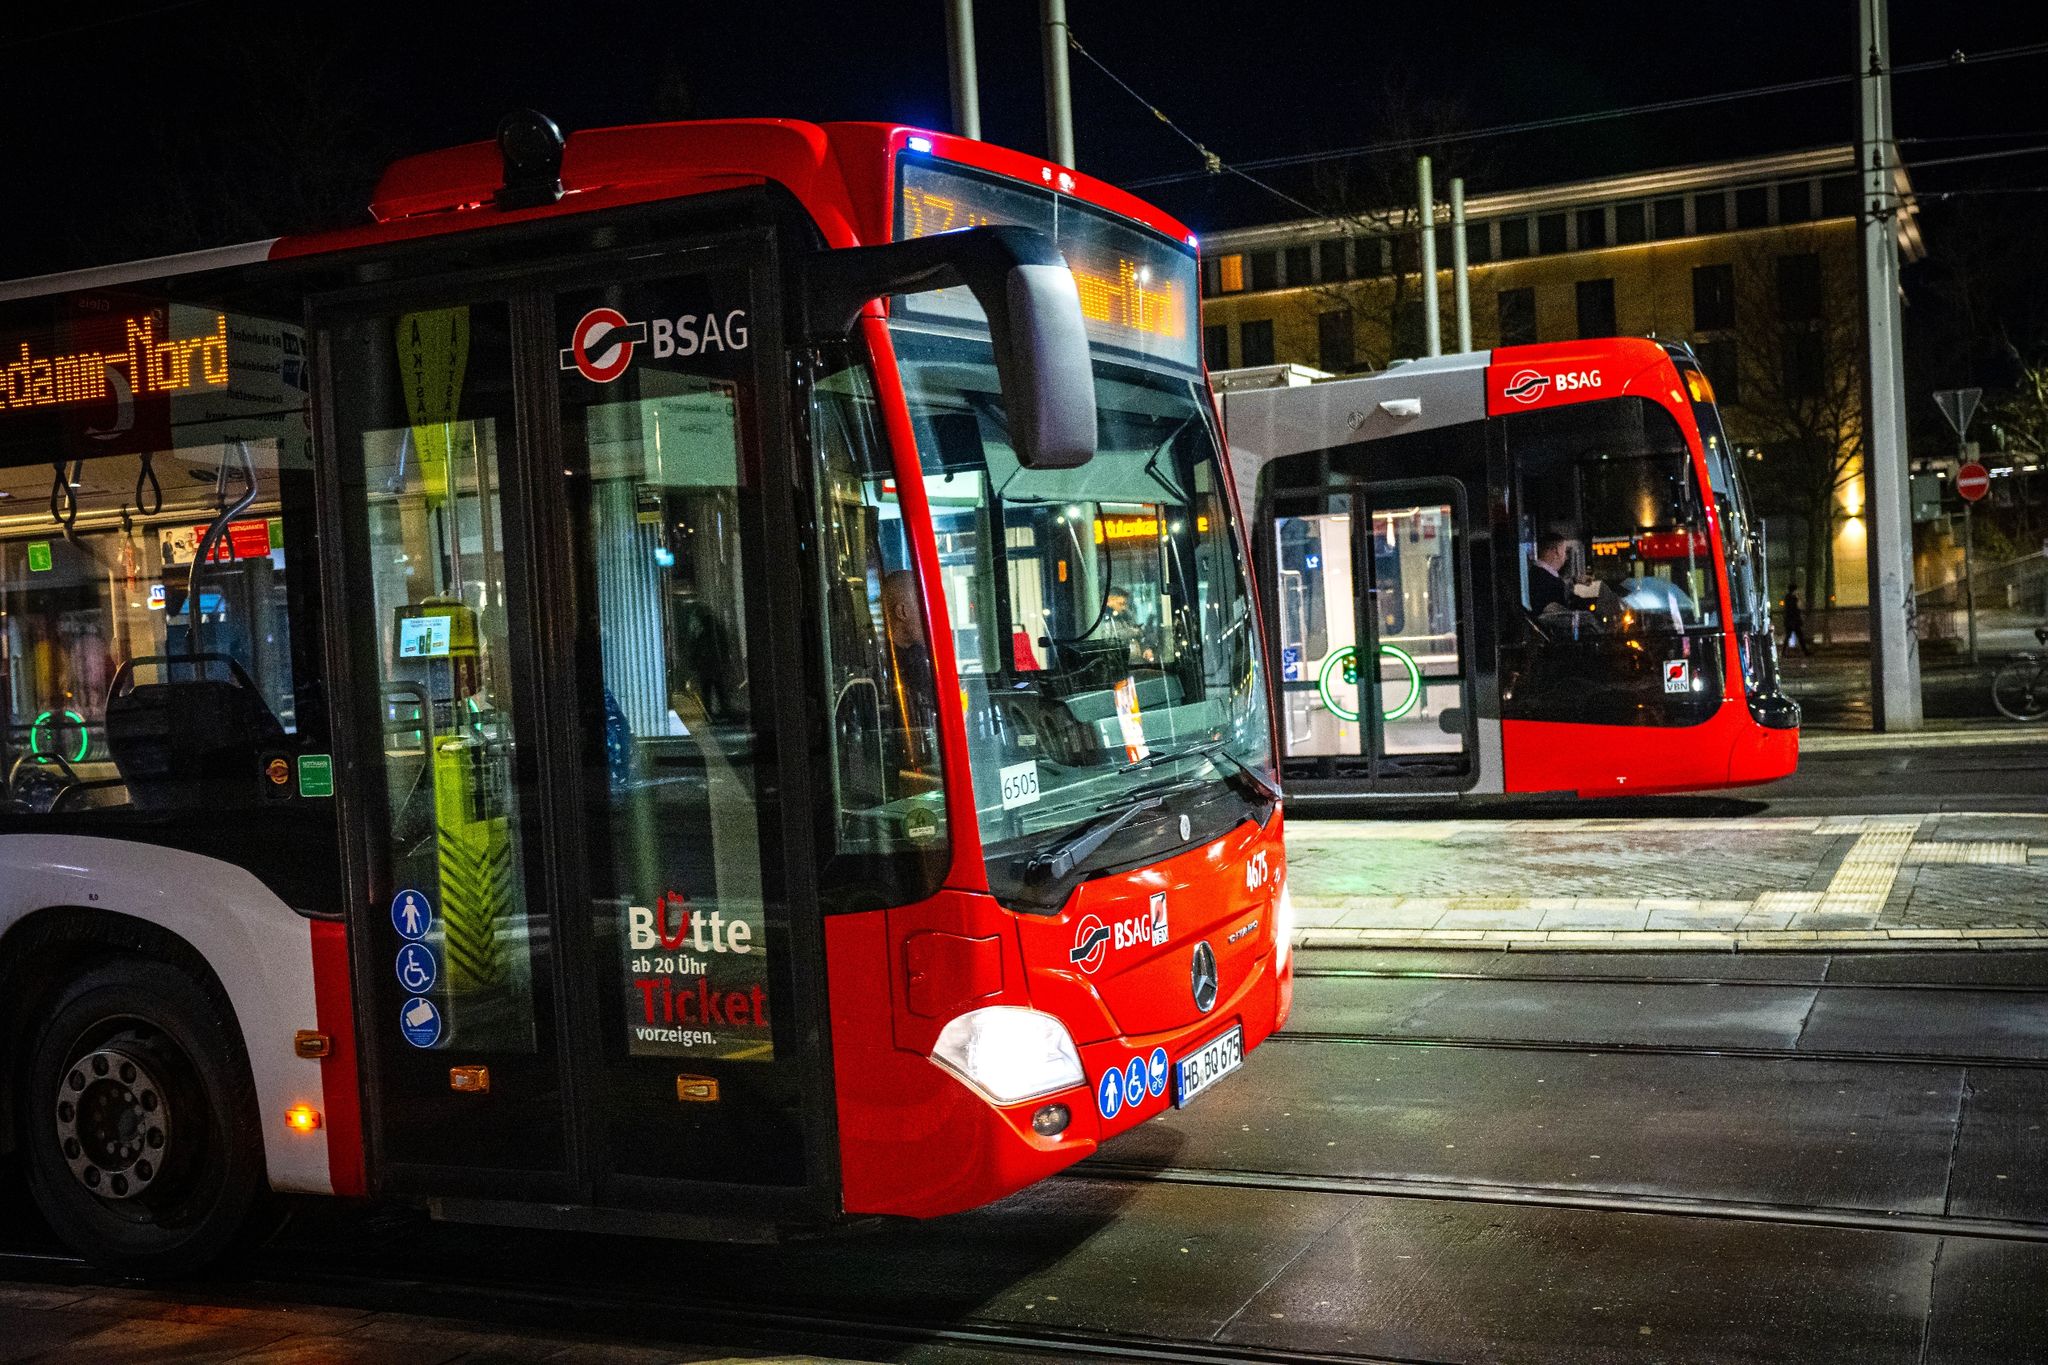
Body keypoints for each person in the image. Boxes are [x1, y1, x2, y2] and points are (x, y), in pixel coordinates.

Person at [1526, 532, 1577, 615]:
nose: (1566, 557)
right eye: (1564, 551)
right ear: (1556, 551)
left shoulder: (1534, 573)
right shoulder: (1550, 582)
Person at [1782, 581, 1811, 658]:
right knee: (1799, 636)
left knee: (1791, 636)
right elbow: (1795, 609)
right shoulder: (1792, 598)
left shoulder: (1788, 597)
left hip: (1790, 621)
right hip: (1793, 621)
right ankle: (1805, 652)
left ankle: (1784, 652)